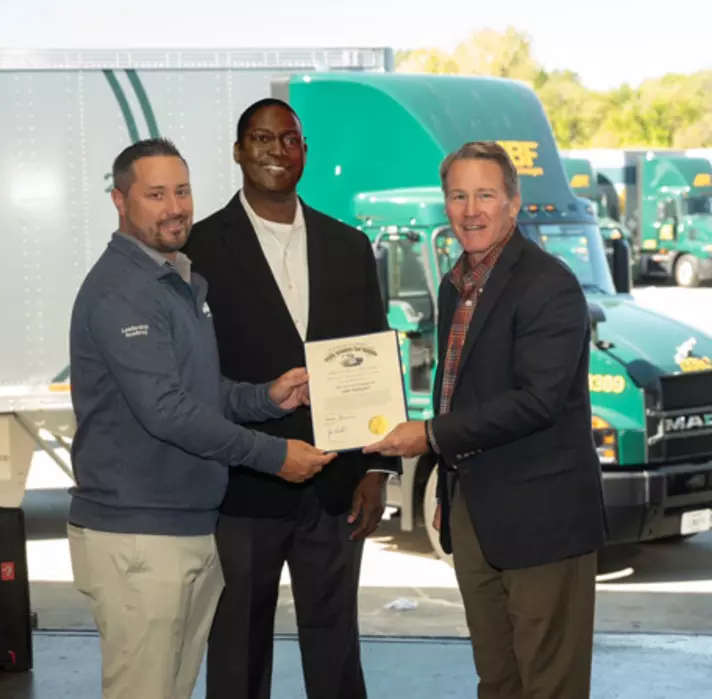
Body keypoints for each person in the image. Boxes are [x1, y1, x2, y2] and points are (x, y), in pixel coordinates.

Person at [67, 137, 335, 699]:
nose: (175, 207)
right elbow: (166, 411)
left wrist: (268, 398)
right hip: (140, 535)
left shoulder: (176, 280)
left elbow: (198, 390)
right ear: (120, 201)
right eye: (156, 194)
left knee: (174, 688)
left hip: (185, 526)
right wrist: (273, 456)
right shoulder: (123, 291)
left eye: (182, 191)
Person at [364, 141, 608, 699]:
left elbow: (537, 401)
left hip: (542, 520)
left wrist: (427, 434)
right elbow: (463, 392)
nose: (470, 210)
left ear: (513, 204)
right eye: (458, 195)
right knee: (497, 680)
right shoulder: (458, 286)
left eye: (485, 195)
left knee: (550, 683)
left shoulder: (549, 285)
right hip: (475, 511)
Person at [181, 98, 402, 699]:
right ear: (237, 151)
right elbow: (194, 378)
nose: (277, 151)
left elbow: (375, 356)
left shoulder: (348, 245)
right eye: (261, 138)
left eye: (289, 139)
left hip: (336, 487)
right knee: (237, 651)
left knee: (335, 648)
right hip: (243, 487)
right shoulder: (196, 251)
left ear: (304, 151)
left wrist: (378, 468)